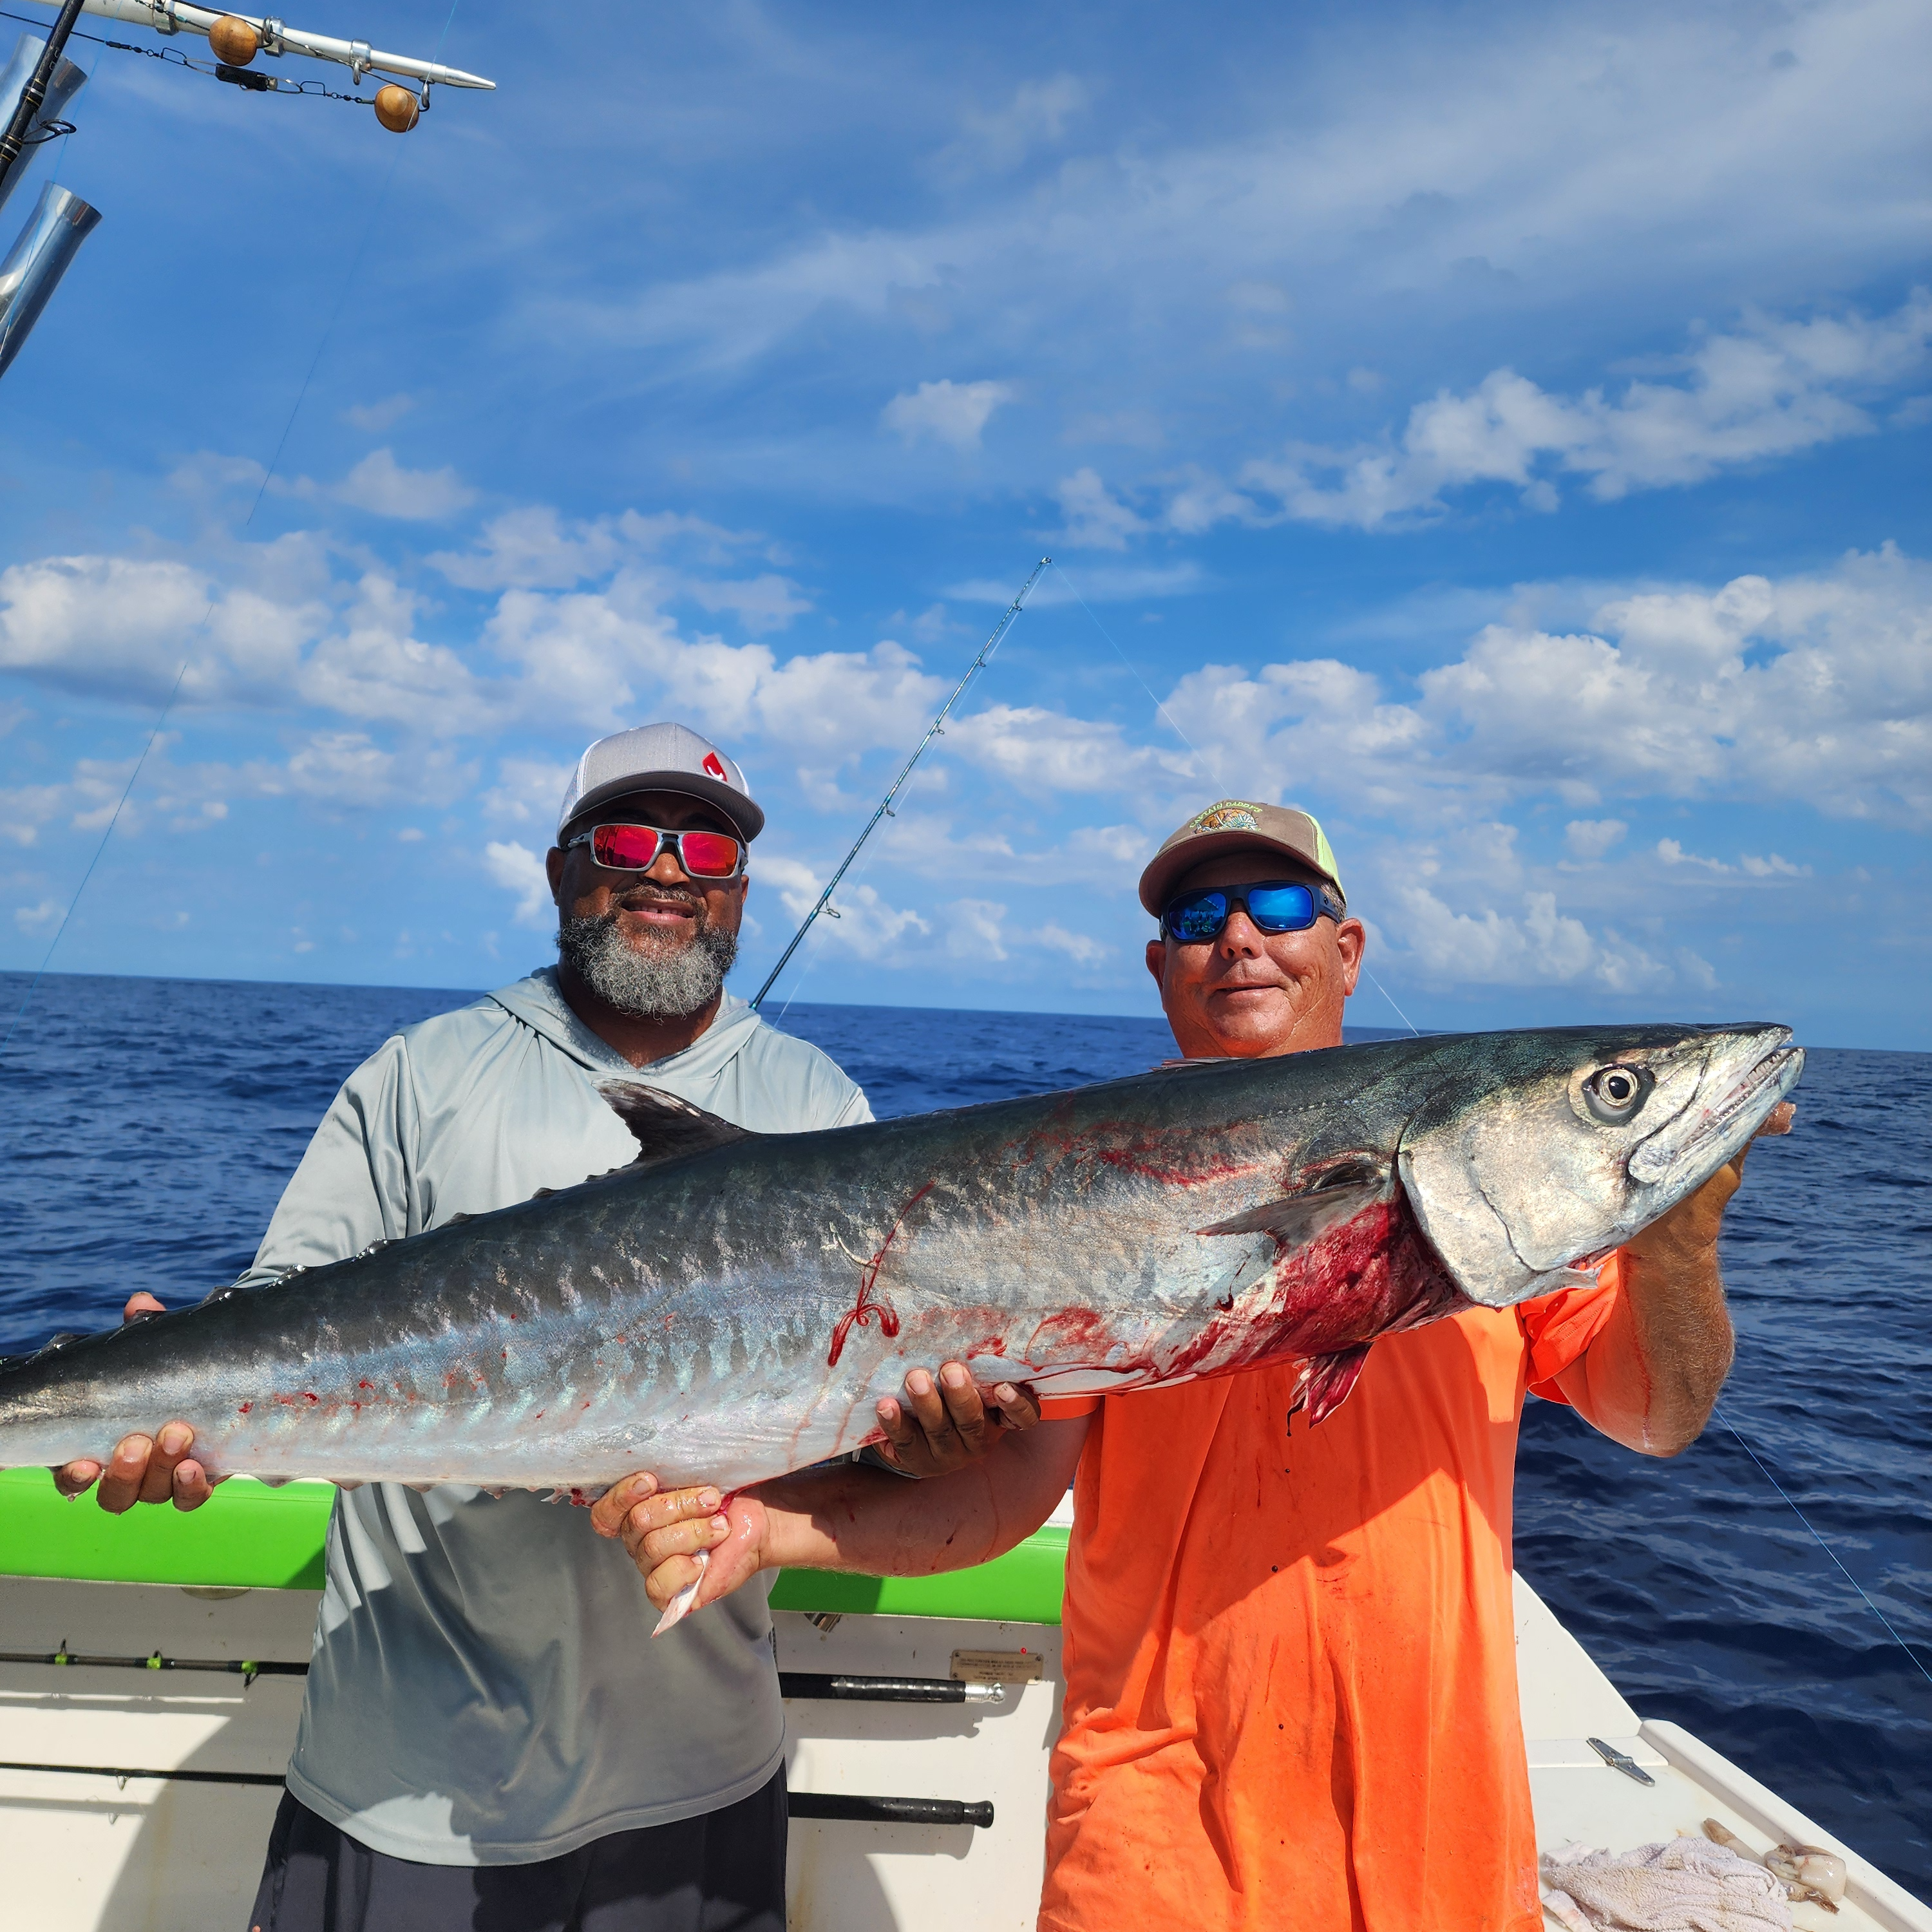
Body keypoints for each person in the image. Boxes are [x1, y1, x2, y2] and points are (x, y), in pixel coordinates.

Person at [601, 795, 1788, 1932]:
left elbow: (1655, 1418)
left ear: (1347, 945)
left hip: (1445, 1848)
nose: (1236, 940)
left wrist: (1679, 1233)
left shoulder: (1509, 1217)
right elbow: (1011, 1496)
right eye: (1194, 921)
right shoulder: (1066, 1190)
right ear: (1161, 966)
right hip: (1158, 1844)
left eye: (1276, 907)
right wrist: (763, 1529)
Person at [53, 721, 1032, 1932]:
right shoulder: (424, 1074)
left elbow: (829, 1427)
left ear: (742, 894)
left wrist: (915, 1445)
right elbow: (273, 1323)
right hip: (407, 1777)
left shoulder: (818, 1105)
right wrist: (167, 1413)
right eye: (628, 837)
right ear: (565, 868)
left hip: (700, 1775)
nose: (668, 871)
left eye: (709, 852)